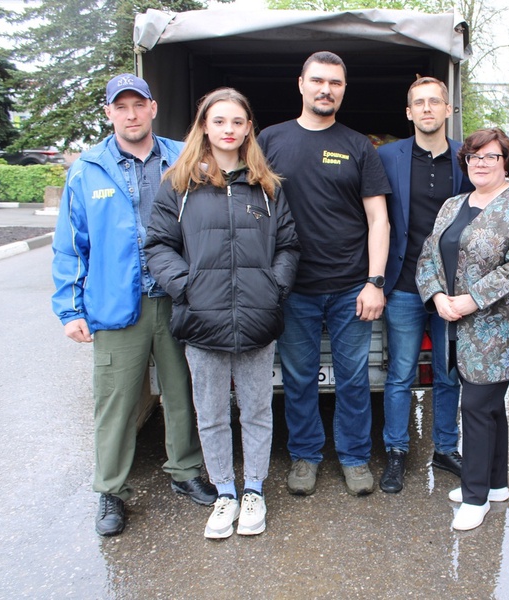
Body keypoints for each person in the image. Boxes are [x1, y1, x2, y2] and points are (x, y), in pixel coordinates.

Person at [51, 73, 216, 537]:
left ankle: (185, 472)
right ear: (109, 113)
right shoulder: (87, 168)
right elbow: (70, 245)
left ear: (153, 107)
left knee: (183, 393)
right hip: (114, 304)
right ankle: (111, 490)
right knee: (116, 401)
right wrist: (70, 309)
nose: (130, 114)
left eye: (138, 105)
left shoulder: (182, 158)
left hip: (176, 298)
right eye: (120, 107)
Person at [145, 88, 300, 539]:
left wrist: (273, 289)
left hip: (257, 318)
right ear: (204, 127)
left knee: (256, 410)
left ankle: (254, 490)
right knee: (210, 412)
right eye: (219, 121)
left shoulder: (267, 186)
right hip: (202, 318)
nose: (228, 130)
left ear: (248, 127)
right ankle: (225, 493)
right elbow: (158, 244)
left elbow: (288, 245)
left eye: (237, 121)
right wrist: (186, 287)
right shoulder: (179, 183)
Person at [258, 51, 391, 497]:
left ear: (343, 89)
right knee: (299, 377)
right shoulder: (270, 140)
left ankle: (354, 458)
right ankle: (305, 456)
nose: (325, 89)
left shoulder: (357, 146)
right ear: (301, 84)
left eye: (335, 82)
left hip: (351, 285)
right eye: (318, 80)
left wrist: (375, 282)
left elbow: (379, 219)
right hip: (293, 287)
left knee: (353, 379)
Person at [416, 128, 509, 531]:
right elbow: (429, 254)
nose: (482, 164)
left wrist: (472, 299)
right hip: (455, 321)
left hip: (499, 329)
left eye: (491, 156)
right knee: (488, 408)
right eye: (474, 157)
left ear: (507, 161)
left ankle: (474, 498)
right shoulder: (454, 204)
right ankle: (494, 484)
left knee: (474, 407)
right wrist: (438, 297)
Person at [376, 76, 474, 493]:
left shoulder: (467, 158)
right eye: (420, 102)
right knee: (399, 373)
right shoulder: (386, 157)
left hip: (450, 288)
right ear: (409, 112)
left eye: (436, 101)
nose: (428, 108)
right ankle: (397, 451)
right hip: (402, 284)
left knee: (448, 373)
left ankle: (446, 448)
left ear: (448, 110)